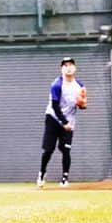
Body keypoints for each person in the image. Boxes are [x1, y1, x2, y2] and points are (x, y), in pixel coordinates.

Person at [37, 56, 86, 188]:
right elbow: (55, 106)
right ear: (61, 69)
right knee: (48, 150)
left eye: (70, 65)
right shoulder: (57, 85)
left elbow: (82, 104)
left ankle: (65, 178)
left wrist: (82, 104)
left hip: (69, 121)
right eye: (65, 65)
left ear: (75, 68)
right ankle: (42, 173)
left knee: (66, 150)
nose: (68, 68)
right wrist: (64, 122)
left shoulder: (80, 85)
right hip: (53, 118)